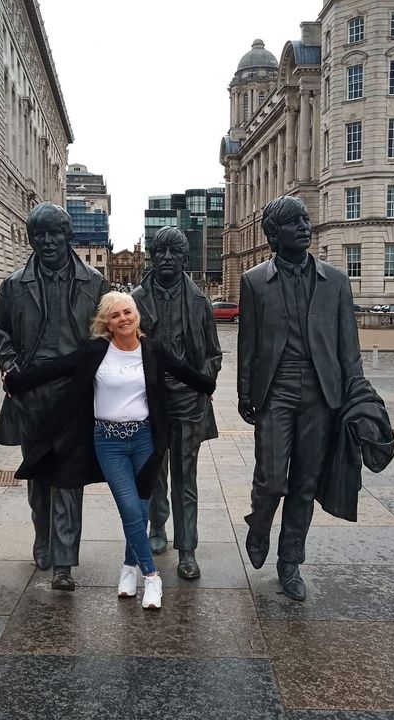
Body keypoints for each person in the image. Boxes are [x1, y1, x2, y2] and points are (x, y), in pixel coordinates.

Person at [4, 292, 216, 610]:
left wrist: (208, 387)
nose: (123, 319)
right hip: (109, 443)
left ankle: (129, 569)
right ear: (107, 322)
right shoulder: (97, 351)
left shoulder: (152, 349)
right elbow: (58, 367)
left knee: (139, 512)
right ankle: (152, 576)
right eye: (115, 315)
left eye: (127, 312)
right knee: (130, 509)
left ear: (136, 315)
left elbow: (183, 370)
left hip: (144, 440)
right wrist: (15, 381)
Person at [238, 195, 363, 601]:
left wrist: (357, 395)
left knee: (305, 483)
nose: (305, 227)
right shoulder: (254, 281)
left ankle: (290, 561)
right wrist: (244, 392)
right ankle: (259, 524)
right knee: (272, 480)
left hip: (322, 393)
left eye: (306, 220)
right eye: (295, 223)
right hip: (276, 390)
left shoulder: (336, 282)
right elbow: (248, 343)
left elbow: (349, 347)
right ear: (275, 235)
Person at [0, 202, 108, 591]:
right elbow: (0, 331)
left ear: (67, 236)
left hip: (75, 393)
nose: (47, 241)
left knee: (69, 477)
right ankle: (42, 535)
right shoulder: (13, 285)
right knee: (40, 475)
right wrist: (10, 366)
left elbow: (105, 335)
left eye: (54, 233)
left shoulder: (94, 282)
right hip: (32, 392)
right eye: (38, 234)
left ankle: (64, 561)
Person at [132, 227, 222, 578]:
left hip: (187, 400)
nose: (167, 257)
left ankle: (187, 549)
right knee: (153, 472)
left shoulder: (199, 302)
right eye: (161, 251)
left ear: (186, 259)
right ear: (152, 257)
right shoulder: (136, 300)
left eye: (175, 252)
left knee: (186, 477)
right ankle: (157, 526)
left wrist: (201, 382)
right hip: (149, 400)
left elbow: (213, 353)